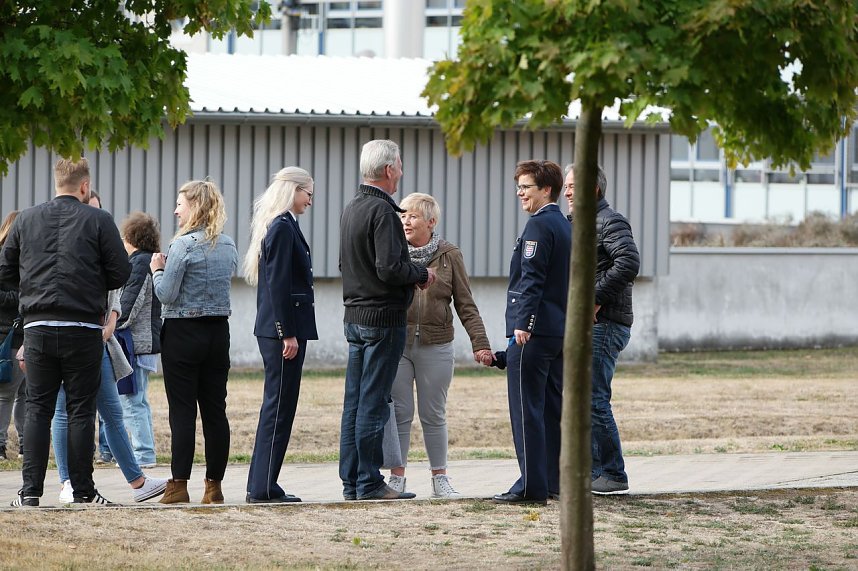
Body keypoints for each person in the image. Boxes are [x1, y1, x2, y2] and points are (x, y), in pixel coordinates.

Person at [0, 157, 131, 507]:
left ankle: (30, 493)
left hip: (38, 327)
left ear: (56, 182)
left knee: (38, 409)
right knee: (80, 410)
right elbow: (121, 272)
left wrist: (32, 288)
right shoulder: (99, 220)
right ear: (85, 187)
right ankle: (83, 491)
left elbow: (5, 269)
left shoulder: (26, 219)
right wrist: (91, 282)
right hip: (83, 327)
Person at [338, 139, 435, 501]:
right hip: (382, 317)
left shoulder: (352, 208)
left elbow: (346, 265)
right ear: (390, 169)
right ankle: (367, 482)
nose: (401, 173)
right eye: (400, 167)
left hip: (354, 315)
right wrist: (421, 274)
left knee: (355, 401)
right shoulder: (383, 212)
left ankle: (351, 481)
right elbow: (390, 267)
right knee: (374, 401)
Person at [388, 192, 493, 498]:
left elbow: (466, 304)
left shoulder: (450, 255)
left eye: (413, 216)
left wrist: (480, 343)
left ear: (431, 222)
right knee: (400, 412)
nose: (406, 221)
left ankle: (440, 478)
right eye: (403, 215)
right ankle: (397, 478)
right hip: (398, 343)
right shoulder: (393, 251)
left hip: (437, 345)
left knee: (433, 414)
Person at [151, 179, 238, 505]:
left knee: (183, 411)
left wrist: (157, 269)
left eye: (180, 204)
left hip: (183, 333)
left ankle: (178, 484)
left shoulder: (182, 246)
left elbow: (166, 294)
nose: (176, 210)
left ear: (195, 207)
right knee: (216, 411)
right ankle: (213, 485)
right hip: (218, 333)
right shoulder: (228, 245)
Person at [493, 160, 571, 506]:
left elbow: (532, 277)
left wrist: (523, 323)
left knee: (527, 409)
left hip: (534, 334)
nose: (520, 193)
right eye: (519, 187)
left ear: (546, 190)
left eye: (526, 187)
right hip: (558, 331)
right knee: (551, 410)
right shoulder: (565, 225)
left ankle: (530, 486)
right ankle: (552, 481)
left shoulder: (539, 226)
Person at [564, 163, 640, 495]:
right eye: (566, 185)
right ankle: (596, 473)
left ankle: (612, 472)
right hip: (586, 324)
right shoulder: (576, 225)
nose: (567, 191)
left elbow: (629, 262)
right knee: (584, 398)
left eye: (573, 185)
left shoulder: (609, 221)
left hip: (605, 323)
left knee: (594, 398)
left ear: (593, 189)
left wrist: (593, 298)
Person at [243, 167, 318, 504]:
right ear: (293, 190)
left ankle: (261, 483)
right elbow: (278, 284)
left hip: (279, 331)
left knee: (278, 405)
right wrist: (287, 333)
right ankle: (263, 488)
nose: (310, 201)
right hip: (281, 333)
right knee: (279, 407)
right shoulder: (283, 227)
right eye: (308, 193)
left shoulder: (281, 225)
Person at [51, 289, 167, 503]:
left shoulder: (98, 258)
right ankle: (67, 482)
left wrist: (112, 318)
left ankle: (137, 481)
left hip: (96, 337)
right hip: (63, 335)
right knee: (64, 411)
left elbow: (113, 286)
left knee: (112, 414)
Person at [115, 212, 162, 468]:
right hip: (146, 343)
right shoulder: (149, 262)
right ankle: (145, 452)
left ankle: (143, 456)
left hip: (135, 344)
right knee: (139, 401)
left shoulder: (138, 265)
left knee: (132, 401)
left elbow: (128, 306)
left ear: (131, 237)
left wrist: (111, 323)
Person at [0, 211, 24, 461]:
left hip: (27, 334)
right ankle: (0, 445)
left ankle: (25, 446)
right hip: (8, 335)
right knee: (6, 393)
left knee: (27, 393)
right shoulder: (3, 259)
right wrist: (22, 298)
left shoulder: (27, 259)